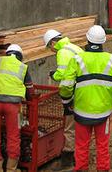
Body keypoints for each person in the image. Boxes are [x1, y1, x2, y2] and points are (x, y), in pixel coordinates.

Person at [59, 25, 112, 172]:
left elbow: (65, 86)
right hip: (103, 113)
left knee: (81, 145)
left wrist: (67, 102)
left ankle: (81, 169)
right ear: (103, 41)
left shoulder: (77, 59)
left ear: (87, 40)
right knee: (102, 145)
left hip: (81, 112)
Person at [0, 44, 33, 172]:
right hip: (13, 105)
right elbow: (30, 90)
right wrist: (29, 102)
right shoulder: (23, 67)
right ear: (20, 56)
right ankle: (11, 169)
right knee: (13, 136)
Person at [43, 29, 83, 166]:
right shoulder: (74, 47)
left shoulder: (62, 52)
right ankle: (81, 155)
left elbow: (64, 76)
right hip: (85, 90)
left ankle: (68, 160)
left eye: (49, 47)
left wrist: (54, 75)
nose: (51, 50)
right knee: (82, 124)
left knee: (69, 126)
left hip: (74, 92)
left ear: (53, 43)